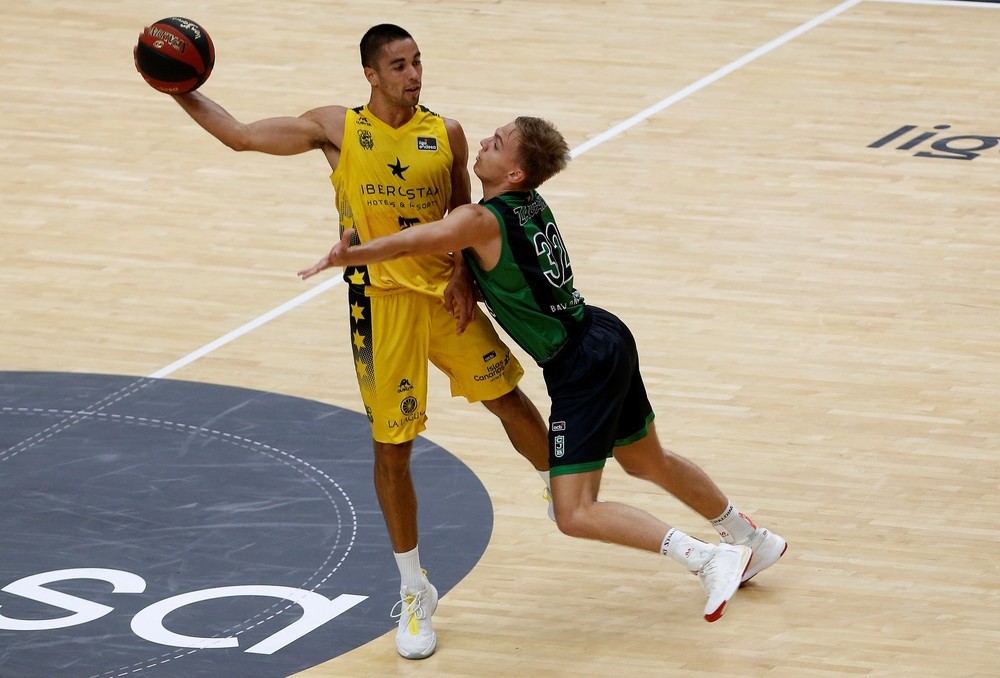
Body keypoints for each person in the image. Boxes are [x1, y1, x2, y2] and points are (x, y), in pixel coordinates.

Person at [157, 25, 552, 659]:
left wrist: (460, 278)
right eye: (399, 65)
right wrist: (178, 88)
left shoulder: (444, 133)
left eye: (417, 61)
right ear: (371, 74)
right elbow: (240, 137)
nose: (413, 74)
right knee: (392, 450)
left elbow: (459, 213)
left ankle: (558, 487)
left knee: (509, 398)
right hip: (378, 306)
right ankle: (413, 589)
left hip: (440, 300)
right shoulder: (336, 128)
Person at [299, 116, 788, 626]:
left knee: (575, 512)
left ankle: (710, 557)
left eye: (499, 143)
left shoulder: (481, 220)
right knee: (646, 460)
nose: (485, 141)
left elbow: (414, 241)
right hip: (604, 335)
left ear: (514, 173)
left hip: (580, 365)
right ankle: (751, 538)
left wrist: (350, 254)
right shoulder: (523, 203)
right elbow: (458, 240)